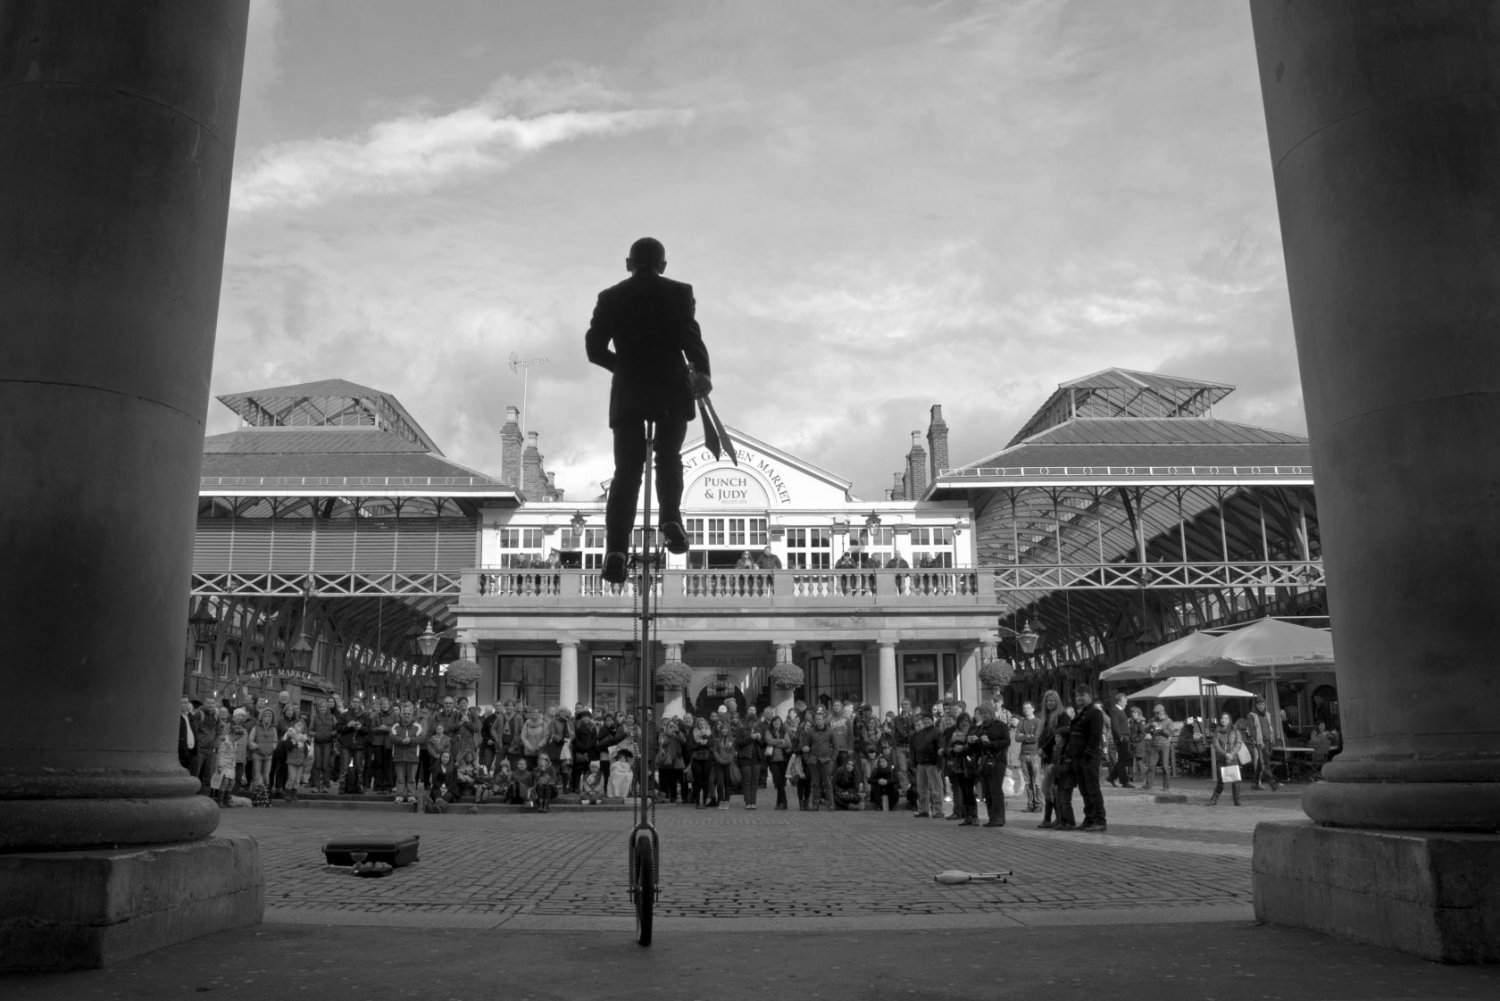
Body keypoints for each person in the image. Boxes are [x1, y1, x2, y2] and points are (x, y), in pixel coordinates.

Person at [584, 236, 713, 584]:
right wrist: (702, 373)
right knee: (669, 456)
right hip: (671, 389)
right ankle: (670, 516)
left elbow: (593, 349)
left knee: (627, 471)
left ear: (629, 263)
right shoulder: (680, 293)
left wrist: (625, 368)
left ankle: (616, 549)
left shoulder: (610, 298)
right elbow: (692, 340)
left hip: (628, 393)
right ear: (663, 266)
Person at [1071, 687, 1108, 832]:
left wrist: (1088, 754)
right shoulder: (1080, 713)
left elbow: (1095, 736)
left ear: (1090, 697)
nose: (1079, 698)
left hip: (1089, 757)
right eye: (1077, 696)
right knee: (1084, 789)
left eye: (1082, 696)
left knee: (1092, 789)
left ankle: (1099, 819)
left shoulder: (1095, 713)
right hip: (1079, 756)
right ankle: (1089, 818)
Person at [974, 704, 1011, 828]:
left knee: (995, 790)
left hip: (997, 761)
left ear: (991, 713)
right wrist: (975, 741)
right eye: (982, 713)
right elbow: (979, 746)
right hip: (985, 761)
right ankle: (992, 817)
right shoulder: (981, 728)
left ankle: (999, 818)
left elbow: (1007, 741)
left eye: (986, 713)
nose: (984, 716)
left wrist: (990, 743)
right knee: (987, 791)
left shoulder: (1000, 725)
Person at [1243, 695, 1283, 791]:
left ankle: (1255, 783)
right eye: (1259, 704)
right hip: (1260, 742)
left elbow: (1269, 726)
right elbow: (1252, 730)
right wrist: (1260, 742)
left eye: (1263, 704)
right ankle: (1272, 783)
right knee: (1265, 763)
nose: (1261, 706)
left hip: (1268, 741)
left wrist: (1272, 737)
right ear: (1256, 705)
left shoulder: (1267, 714)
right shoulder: (1251, 715)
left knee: (1262, 763)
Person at [909, 712, 944, 818]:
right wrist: (914, 762)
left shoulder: (937, 732)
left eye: (928, 719)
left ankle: (938, 811)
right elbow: (914, 749)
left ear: (932, 720)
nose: (926, 721)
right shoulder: (919, 734)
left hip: (933, 764)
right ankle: (923, 810)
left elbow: (940, 748)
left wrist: (940, 763)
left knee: (936, 788)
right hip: (921, 764)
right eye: (924, 719)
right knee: (921, 788)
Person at [1209, 712, 1246, 806]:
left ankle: (1236, 800)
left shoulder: (1235, 730)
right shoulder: (1217, 732)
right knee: (1221, 781)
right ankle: (1214, 799)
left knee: (1235, 781)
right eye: (1222, 718)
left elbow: (1239, 743)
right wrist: (1225, 754)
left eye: (1226, 718)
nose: (1223, 720)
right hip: (1222, 758)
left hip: (1233, 758)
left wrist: (1232, 753)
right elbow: (1216, 745)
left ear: (1229, 720)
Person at [1013, 701, 1042, 812]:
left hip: (1034, 754)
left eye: (1028, 708)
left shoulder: (1038, 722)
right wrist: (1028, 736)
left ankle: (1039, 804)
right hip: (1024, 755)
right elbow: (1016, 738)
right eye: (1024, 708)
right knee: (1027, 782)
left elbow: (1035, 738)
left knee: (1037, 782)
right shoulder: (1021, 723)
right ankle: (1030, 804)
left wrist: (1024, 736)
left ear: (1033, 709)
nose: (1026, 710)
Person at [1142, 703, 1175, 791]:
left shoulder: (1169, 721)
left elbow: (1170, 734)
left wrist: (1160, 728)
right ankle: (1148, 785)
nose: (1156, 715)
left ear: (1162, 712)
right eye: (1155, 714)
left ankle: (1166, 786)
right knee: (1151, 765)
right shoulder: (1152, 720)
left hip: (1165, 746)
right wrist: (1150, 726)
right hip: (1154, 745)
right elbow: (1145, 730)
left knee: (1165, 766)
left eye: (1157, 713)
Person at [1107, 692, 1133, 788]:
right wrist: (1120, 736)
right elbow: (1115, 725)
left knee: (1124, 758)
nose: (1126, 703)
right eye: (1125, 701)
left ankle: (1112, 777)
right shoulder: (1115, 710)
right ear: (1119, 701)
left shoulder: (1121, 711)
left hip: (1124, 737)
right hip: (1122, 738)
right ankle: (1124, 781)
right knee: (1123, 759)